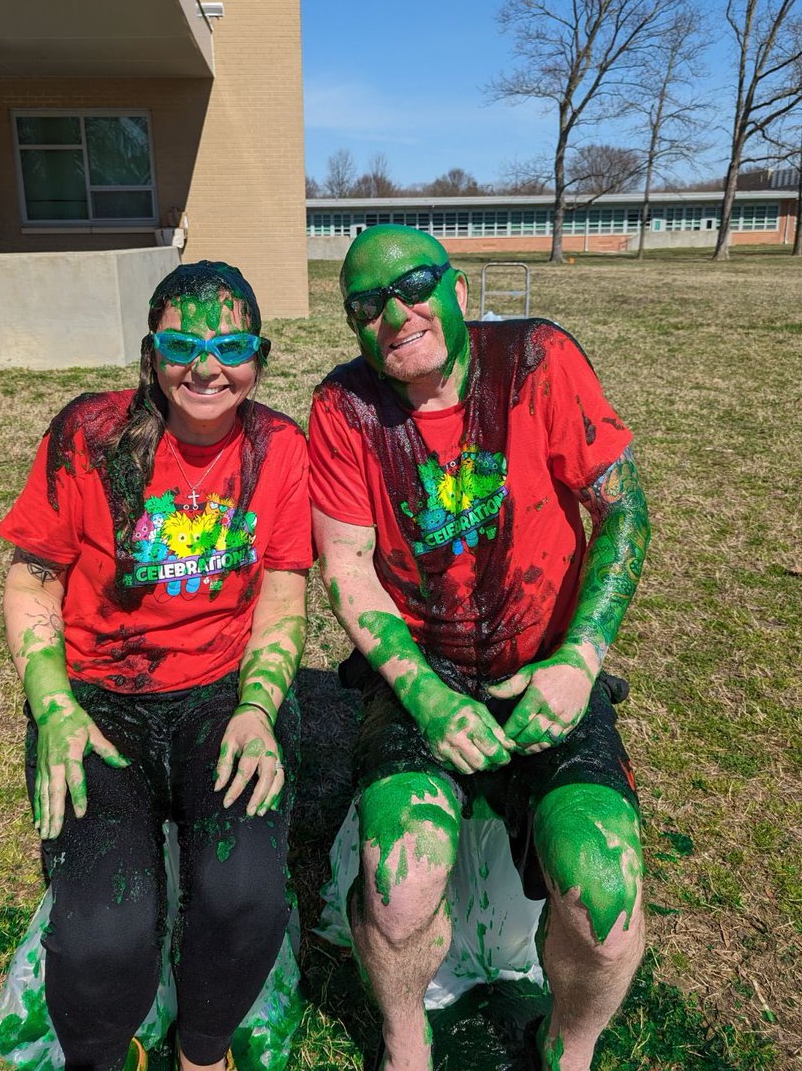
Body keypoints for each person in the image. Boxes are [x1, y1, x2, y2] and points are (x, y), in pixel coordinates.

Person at [308, 225, 650, 1071]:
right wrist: (424, 695)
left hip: (547, 668)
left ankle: (569, 1048)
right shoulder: (345, 407)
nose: (394, 312)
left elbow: (624, 511)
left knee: (606, 899)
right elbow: (346, 564)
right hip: (419, 673)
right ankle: (403, 1038)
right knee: (398, 886)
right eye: (366, 302)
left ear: (460, 291)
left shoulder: (537, 360)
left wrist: (580, 661)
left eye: (413, 284)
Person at [0, 260, 311, 1071]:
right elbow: (33, 578)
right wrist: (53, 704)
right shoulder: (89, 435)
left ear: (260, 356)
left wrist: (259, 704)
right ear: (151, 352)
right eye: (182, 344)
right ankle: (101, 1054)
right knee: (105, 930)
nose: (206, 368)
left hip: (220, 695)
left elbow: (281, 593)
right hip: (100, 700)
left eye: (231, 345)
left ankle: (202, 1048)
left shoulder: (278, 448)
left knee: (245, 894)